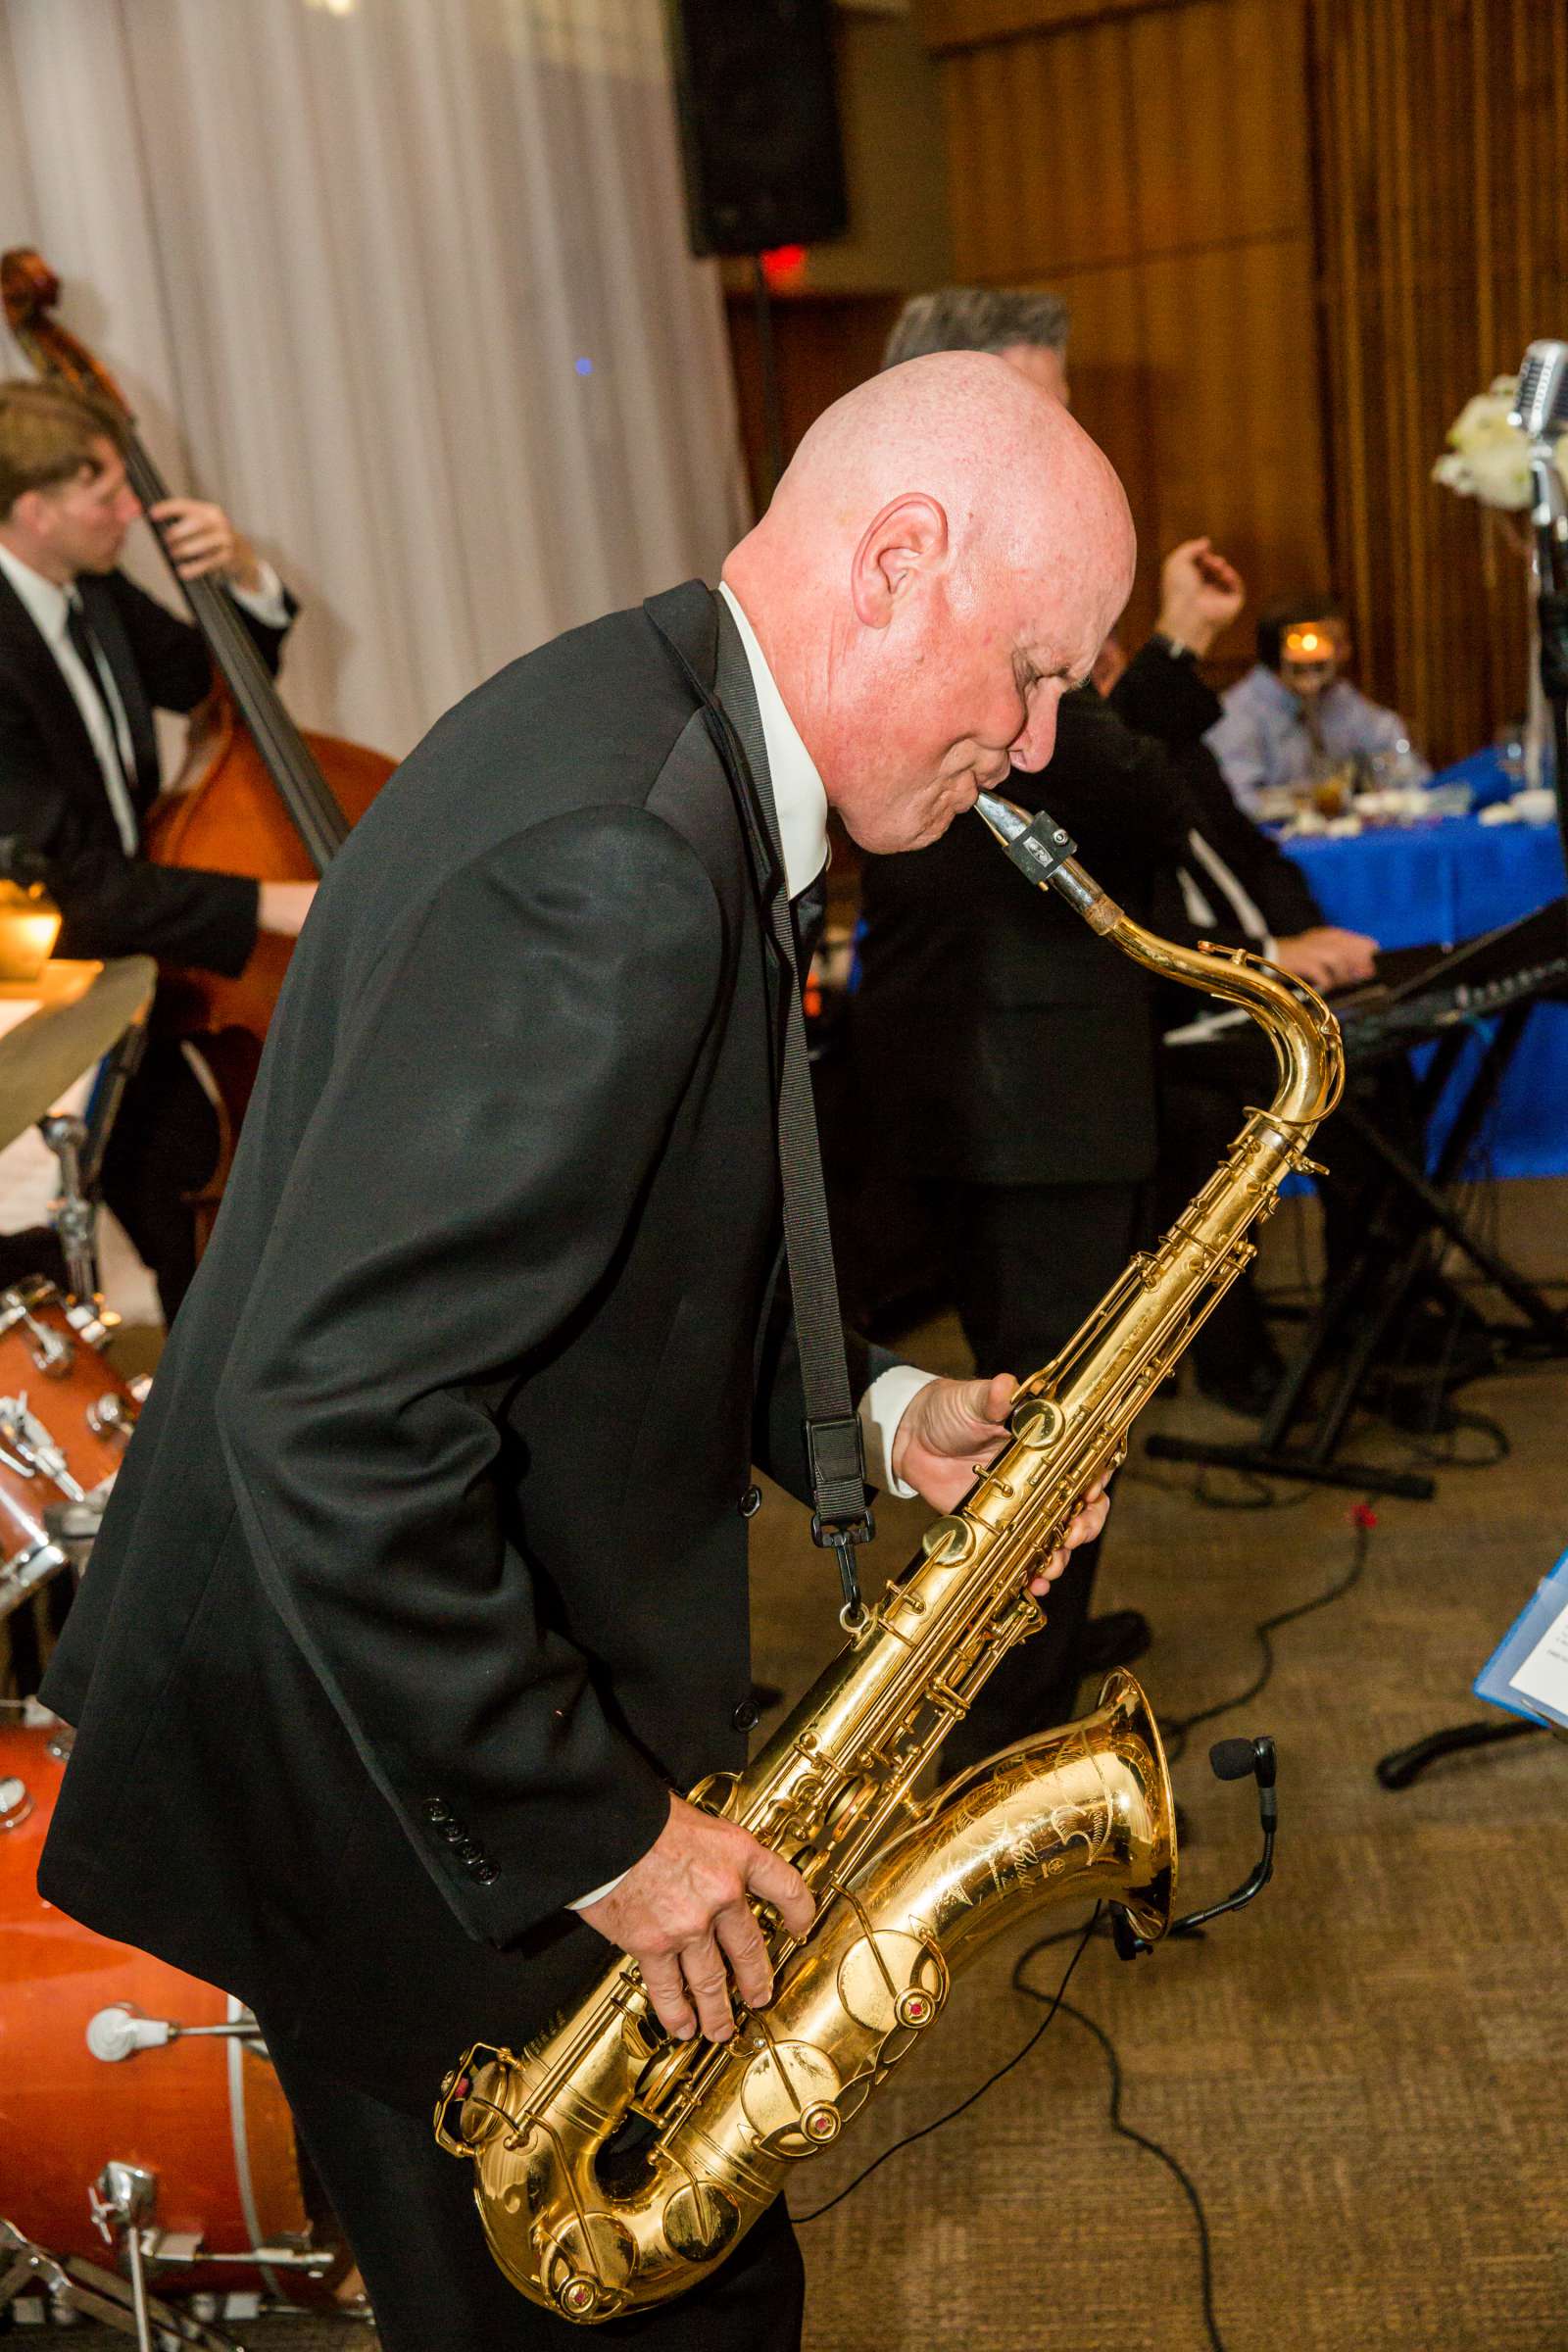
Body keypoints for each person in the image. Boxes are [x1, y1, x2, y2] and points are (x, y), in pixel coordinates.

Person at [35, 354, 1130, 2352]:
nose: (1040, 745)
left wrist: (879, 1420)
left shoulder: (646, 712)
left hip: (391, 1714)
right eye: (1034, 670)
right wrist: (601, 1836)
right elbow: (339, 1425)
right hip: (406, 1773)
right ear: (898, 561)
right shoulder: (619, 856)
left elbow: (591, 1276)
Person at [854, 289, 1382, 1764]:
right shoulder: (967, 610)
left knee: (1040, 1399)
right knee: (1049, 1415)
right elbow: (1132, 794)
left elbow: (1104, 771)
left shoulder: (964, 598)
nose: (1064, 437)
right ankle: (1000, 1721)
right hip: (1018, 1075)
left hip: (997, 1061)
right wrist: (1163, 652)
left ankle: (1046, 1648)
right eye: (1039, 406)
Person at [0, 378, 316, 1317]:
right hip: (28, 979)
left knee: (187, 1181)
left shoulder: (87, 588)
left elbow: (206, 682)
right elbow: (57, 884)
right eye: (104, 494)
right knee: (77, 1238)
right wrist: (265, 901)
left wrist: (245, 576)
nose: (132, 510)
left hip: (120, 969)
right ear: (32, 510)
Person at [1206, 592, 1428, 816]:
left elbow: (1398, 753)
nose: (1345, 653)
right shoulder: (1237, 713)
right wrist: (1300, 803)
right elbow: (1235, 801)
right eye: (1331, 644)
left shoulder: (1336, 697)